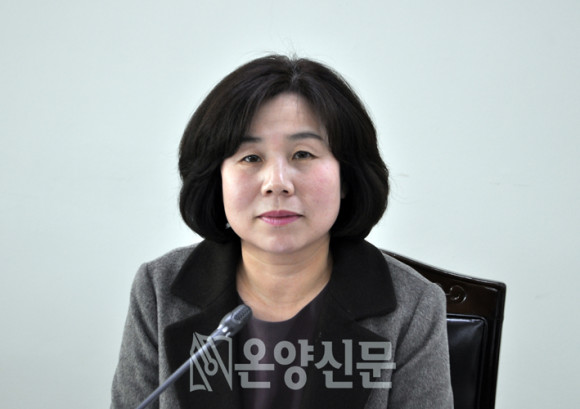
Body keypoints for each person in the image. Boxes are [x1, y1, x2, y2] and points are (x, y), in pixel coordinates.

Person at [110, 55, 453, 409]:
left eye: (303, 154)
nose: (277, 183)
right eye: (251, 158)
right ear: (217, 179)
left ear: (346, 178)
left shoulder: (414, 306)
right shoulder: (158, 290)